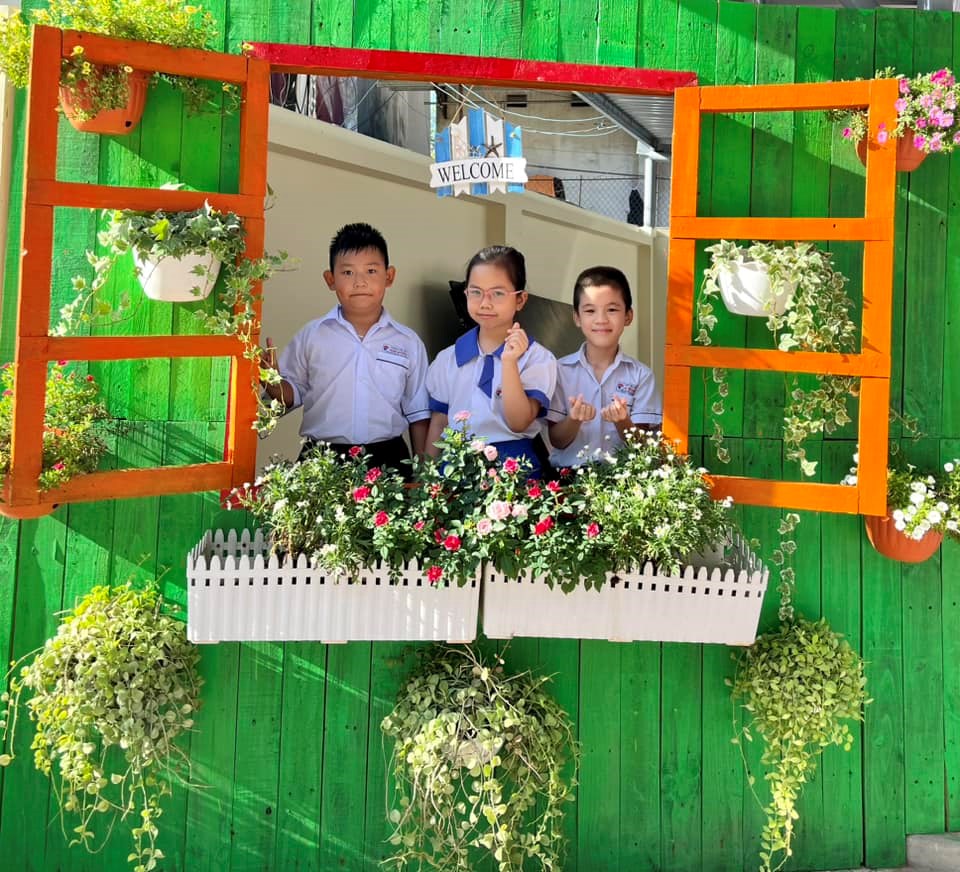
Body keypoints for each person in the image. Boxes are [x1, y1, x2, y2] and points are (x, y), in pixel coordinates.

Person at [262, 222, 431, 477]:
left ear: (389, 276)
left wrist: (423, 474)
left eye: (371, 271)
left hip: (389, 459)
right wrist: (271, 380)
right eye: (348, 272)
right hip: (322, 461)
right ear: (330, 280)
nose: (360, 282)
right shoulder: (312, 336)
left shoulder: (408, 342)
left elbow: (419, 414)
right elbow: (290, 395)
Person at [425, 245, 557, 475]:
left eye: (497, 293)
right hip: (457, 467)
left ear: (520, 299)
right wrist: (426, 477)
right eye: (476, 292)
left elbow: (519, 422)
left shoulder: (537, 358)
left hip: (513, 467)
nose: (485, 303)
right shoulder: (448, 358)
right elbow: (440, 422)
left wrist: (509, 362)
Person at [547, 265, 661, 468]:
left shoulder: (641, 375)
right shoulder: (559, 370)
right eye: (590, 310)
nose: (601, 320)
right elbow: (557, 440)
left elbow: (642, 445)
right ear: (577, 317)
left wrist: (622, 421)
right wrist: (573, 419)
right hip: (568, 477)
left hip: (623, 479)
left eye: (612, 310)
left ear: (628, 316)